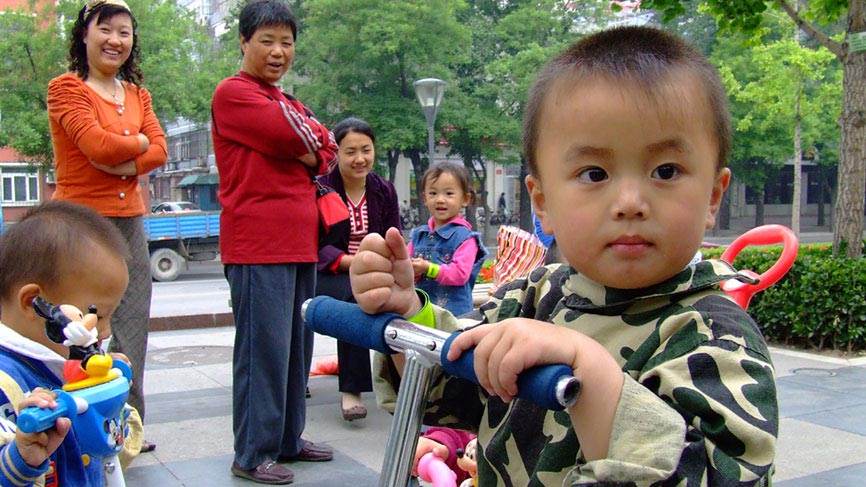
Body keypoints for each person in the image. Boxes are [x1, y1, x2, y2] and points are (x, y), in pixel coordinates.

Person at [351, 26, 777, 486]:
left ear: (713, 196)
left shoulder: (713, 338)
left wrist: (585, 366)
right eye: (595, 172)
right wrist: (408, 311)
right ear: (543, 203)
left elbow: (711, 473)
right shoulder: (535, 297)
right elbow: (450, 388)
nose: (630, 201)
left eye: (665, 170)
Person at [211, 0, 337, 483]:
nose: (278, 51)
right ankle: (251, 453)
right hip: (256, 242)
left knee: (295, 349)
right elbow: (297, 134)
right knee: (261, 353)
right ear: (244, 42)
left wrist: (310, 145)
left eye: (286, 42)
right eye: (267, 40)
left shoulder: (285, 99)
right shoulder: (234, 94)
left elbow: (325, 149)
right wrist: (307, 143)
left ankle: (287, 438)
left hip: (299, 239)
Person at [46, 0, 167, 453]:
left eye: (124, 32)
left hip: (130, 222)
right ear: (84, 35)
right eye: (105, 30)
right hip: (81, 223)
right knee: (78, 326)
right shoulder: (66, 88)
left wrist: (118, 157)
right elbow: (92, 141)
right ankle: (70, 427)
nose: (115, 40)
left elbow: (160, 150)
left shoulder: (138, 93)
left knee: (132, 322)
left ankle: (127, 426)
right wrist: (130, 148)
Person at [0, 201, 132, 486]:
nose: (105, 332)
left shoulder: (66, 367)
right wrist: (21, 457)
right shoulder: (5, 383)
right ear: (33, 303)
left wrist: (113, 402)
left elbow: (110, 453)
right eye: (96, 316)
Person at [316, 117, 401, 422]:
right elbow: (316, 244)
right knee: (355, 300)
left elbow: (395, 235)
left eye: (366, 149)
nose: (360, 159)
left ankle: (402, 381)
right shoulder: (322, 188)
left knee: (404, 299)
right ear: (336, 153)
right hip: (330, 272)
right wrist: (352, 263)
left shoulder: (384, 190)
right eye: (350, 151)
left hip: (374, 271)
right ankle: (351, 391)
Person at [408, 162, 489, 316]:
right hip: (422, 312)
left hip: (454, 316)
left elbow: (460, 274)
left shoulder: (465, 238)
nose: (440, 199)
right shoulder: (418, 236)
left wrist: (428, 268)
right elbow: (405, 268)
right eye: (433, 193)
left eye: (449, 193)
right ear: (425, 198)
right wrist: (412, 270)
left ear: (465, 199)